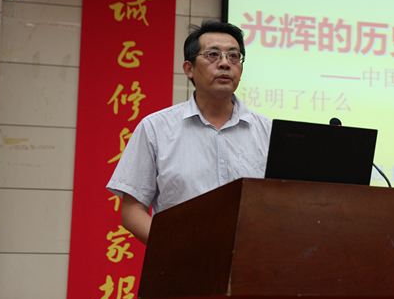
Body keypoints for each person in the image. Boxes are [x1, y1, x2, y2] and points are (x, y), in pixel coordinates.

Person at [107, 20, 272, 244]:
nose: (225, 63)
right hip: (180, 260)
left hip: (250, 259)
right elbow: (132, 210)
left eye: (233, 56)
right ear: (189, 69)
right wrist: (175, 247)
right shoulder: (155, 128)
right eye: (213, 55)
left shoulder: (267, 131)